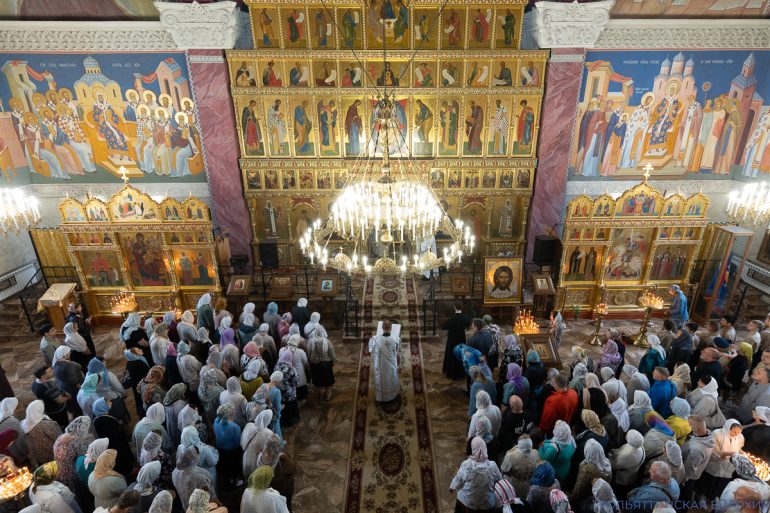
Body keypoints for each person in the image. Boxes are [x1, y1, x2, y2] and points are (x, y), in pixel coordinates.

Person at [450, 436, 503, 513]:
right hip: (486, 504)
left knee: (461, 492)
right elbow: (499, 480)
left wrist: (452, 487)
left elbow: (458, 479)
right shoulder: (493, 465)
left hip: (468, 504)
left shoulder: (466, 465)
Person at [701, 419, 744, 499]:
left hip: (729, 467)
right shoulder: (718, 434)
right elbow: (712, 450)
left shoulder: (740, 437)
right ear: (728, 428)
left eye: (738, 432)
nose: (736, 435)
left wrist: (742, 454)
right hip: (715, 464)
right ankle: (701, 496)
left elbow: (739, 448)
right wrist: (723, 455)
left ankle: (714, 498)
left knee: (721, 484)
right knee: (709, 482)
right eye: (734, 432)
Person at [92, 398, 133, 479]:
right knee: (123, 461)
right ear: (102, 407)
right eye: (107, 402)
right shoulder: (107, 421)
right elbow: (117, 435)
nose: (110, 402)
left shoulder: (98, 417)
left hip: (111, 444)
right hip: (117, 445)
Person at [256, 434, 297, 510]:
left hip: (264, 491)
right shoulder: (283, 461)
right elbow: (293, 468)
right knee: (286, 505)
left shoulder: (260, 458)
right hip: (281, 489)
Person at [569, 438, 612, 509]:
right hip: (600, 494)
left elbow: (579, 488)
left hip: (587, 497)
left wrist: (571, 496)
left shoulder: (587, 470)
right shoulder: (606, 462)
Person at [680, 415, 715, 501]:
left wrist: (684, 479)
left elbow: (690, 467)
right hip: (696, 473)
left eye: (689, 425)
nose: (687, 426)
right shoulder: (708, 434)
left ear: (695, 429)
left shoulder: (697, 449)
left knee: (684, 496)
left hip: (688, 478)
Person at [368, 320, 401, 404]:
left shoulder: (375, 339)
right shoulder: (396, 338)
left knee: (382, 379)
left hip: (381, 365)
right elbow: (397, 350)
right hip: (391, 364)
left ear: (382, 327)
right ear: (391, 328)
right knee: (391, 378)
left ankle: (382, 396)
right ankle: (392, 395)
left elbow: (371, 350)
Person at [23, 399, 62, 464]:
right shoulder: (47, 424)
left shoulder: (24, 425)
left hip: (39, 458)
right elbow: (59, 437)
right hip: (53, 455)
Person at [32, 364, 70, 429]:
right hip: (57, 411)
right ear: (43, 376)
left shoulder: (35, 383)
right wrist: (68, 397)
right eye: (50, 371)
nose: (52, 371)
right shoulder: (49, 387)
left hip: (48, 409)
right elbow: (60, 400)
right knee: (64, 425)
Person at [610, 429, 645, 498]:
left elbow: (614, 465)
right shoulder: (640, 447)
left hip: (623, 480)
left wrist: (609, 455)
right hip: (633, 476)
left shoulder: (627, 455)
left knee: (618, 493)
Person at [214, 403, 243, 486]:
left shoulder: (216, 421)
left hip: (220, 448)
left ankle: (227, 478)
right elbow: (238, 442)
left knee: (224, 464)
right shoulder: (235, 427)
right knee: (233, 466)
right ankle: (234, 481)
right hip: (232, 451)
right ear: (231, 414)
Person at [443, 303, 470, 380]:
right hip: (461, 337)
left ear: (454, 307)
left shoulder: (451, 318)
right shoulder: (466, 317)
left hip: (452, 338)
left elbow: (445, 327)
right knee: (461, 353)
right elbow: (468, 325)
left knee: (451, 353)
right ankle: (461, 372)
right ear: (462, 307)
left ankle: (451, 372)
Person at [308, 326, 336, 401]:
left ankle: (320, 394)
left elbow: (309, 353)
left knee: (318, 380)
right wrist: (333, 362)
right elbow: (332, 355)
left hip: (315, 365)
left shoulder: (310, 342)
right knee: (327, 380)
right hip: (326, 365)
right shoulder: (327, 342)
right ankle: (327, 393)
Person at [275, 350, 300, 427]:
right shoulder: (291, 369)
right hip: (290, 393)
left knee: (284, 408)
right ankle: (292, 420)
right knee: (291, 407)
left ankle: (283, 421)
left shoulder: (277, 366)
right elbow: (296, 382)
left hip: (280, 392)